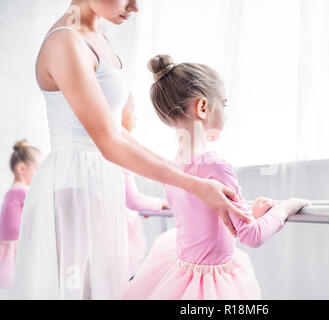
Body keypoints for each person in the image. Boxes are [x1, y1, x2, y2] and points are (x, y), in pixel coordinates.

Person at [13, 0, 249, 300]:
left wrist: (180, 171)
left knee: (98, 289)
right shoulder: (65, 42)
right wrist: (195, 185)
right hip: (73, 187)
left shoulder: (99, 37)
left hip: (99, 180)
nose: (135, 6)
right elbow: (109, 141)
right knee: (74, 291)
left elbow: (116, 130)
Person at [125, 55, 311, 300]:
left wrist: (250, 215)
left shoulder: (172, 165)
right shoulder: (215, 165)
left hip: (180, 274)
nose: (225, 112)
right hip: (210, 285)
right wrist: (286, 208)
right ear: (203, 107)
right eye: (223, 104)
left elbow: (206, 220)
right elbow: (251, 236)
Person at [121, 94, 169, 278]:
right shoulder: (120, 152)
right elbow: (133, 200)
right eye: (132, 109)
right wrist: (160, 203)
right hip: (117, 236)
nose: (136, 116)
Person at [0, 140, 43, 289]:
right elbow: (40, 210)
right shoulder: (23, 191)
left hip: (8, 245)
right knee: (18, 280)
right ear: (22, 168)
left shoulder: (12, 191)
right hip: (15, 245)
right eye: (38, 170)